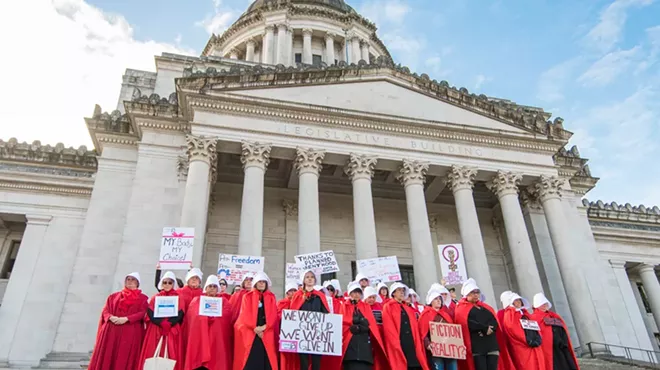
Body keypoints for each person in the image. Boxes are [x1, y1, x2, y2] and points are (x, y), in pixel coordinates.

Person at [88, 272, 148, 370]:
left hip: (130, 332)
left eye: (133, 280)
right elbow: (105, 310)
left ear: (137, 283)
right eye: (128, 279)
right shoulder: (113, 296)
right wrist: (111, 317)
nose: (130, 282)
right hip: (112, 331)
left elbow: (143, 312)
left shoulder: (143, 299)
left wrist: (127, 319)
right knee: (108, 355)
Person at [280, 269, 331, 370]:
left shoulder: (320, 296)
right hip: (302, 334)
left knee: (316, 362)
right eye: (307, 277)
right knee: (303, 362)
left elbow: (326, 314)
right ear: (303, 280)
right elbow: (293, 314)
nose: (310, 279)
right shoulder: (297, 295)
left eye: (312, 277)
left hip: (317, 334)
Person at [184, 275, 233, 370]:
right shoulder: (197, 300)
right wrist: (204, 318)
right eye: (210, 286)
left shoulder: (224, 301)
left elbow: (227, 315)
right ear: (206, 288)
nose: (212, 289)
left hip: (216, 338)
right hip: (200, 337)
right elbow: (192, 314)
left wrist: (216, 318)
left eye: (214, 286)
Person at [139, 271, 185, 370]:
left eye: (170, 282)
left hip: (172, 330)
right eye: (165, 282)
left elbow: (180, 313)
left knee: (172, 353)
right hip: (156, 329)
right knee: (152, 352)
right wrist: (161, 323)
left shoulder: (179, 297)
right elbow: (150, 312)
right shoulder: (156, 297)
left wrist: (169, 323)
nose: (167, 285)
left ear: (173, 284)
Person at [234, 272, 279, 370]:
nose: (262, 284)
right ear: (255, 283)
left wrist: (264, 327)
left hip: (266, 331)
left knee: (267, 358)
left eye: (263, 282)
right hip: (251, 332)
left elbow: (273, 314)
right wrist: (255, 328)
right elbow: (245, 314)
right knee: (251, 358)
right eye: (259, 282)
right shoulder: (247, 296)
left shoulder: (271, 297)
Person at [340, 282, 389, 370]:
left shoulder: (365, 307)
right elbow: (342, 324)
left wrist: (362, 326)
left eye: (358, 292)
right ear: (350, 293)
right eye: (354, 292)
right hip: (350, 349)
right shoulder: (344, 306)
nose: (356, 295)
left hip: (365, 350)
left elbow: (371, 325)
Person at [382, 282, 430, 370]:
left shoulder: (408, 308)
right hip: (400, 341)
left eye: (403, 290)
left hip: (411, 342)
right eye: (399, 290)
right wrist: (395, 343)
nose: (402, 292)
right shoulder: (388, 307)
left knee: (415, 364)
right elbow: (389, 327)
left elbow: (415, 328)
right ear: (393, 293)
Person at [454, 278, 499, 370]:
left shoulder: (485, 307)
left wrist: (492, 328)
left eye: (477, 292)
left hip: (491, 344)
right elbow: (465, 323)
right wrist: (484, 328)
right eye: (472, 292)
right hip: (477, 346)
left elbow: (494, 319)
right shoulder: (461, 308)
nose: (475, 295)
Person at [530, 293, 578, 370]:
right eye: (542, 304)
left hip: (561, 346)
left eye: (545, 304)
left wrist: (563, 340)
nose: (544, 305)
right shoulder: (533, 318)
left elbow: (562, 328)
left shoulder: (554, 315)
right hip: (547, 349)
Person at [502, 292, 545, 370]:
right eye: (516, 300)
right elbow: (513, 329)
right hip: (523, 346)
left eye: (519, 300)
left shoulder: (525, 312)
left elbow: (534, 326)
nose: (518, 302)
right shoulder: (510, 313)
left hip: (533, 344)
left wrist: (538, 337)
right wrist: (526, 339)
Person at [419, 288, 456, 370]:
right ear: (431, 301)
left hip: (449, 350)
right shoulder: (425, 315)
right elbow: (423, 333)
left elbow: (453, 332)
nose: (438, 301)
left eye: (440, 299)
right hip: (435, 351)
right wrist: (428, 344)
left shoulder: (445, 315)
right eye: (436, 299)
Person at [179, 268, 204, 364]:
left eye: (196, 278)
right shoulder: (179, 292)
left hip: (197, 328)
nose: (194, 280)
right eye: (192, 278)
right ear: (188, 280)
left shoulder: (203, 294)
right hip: (182, 325)